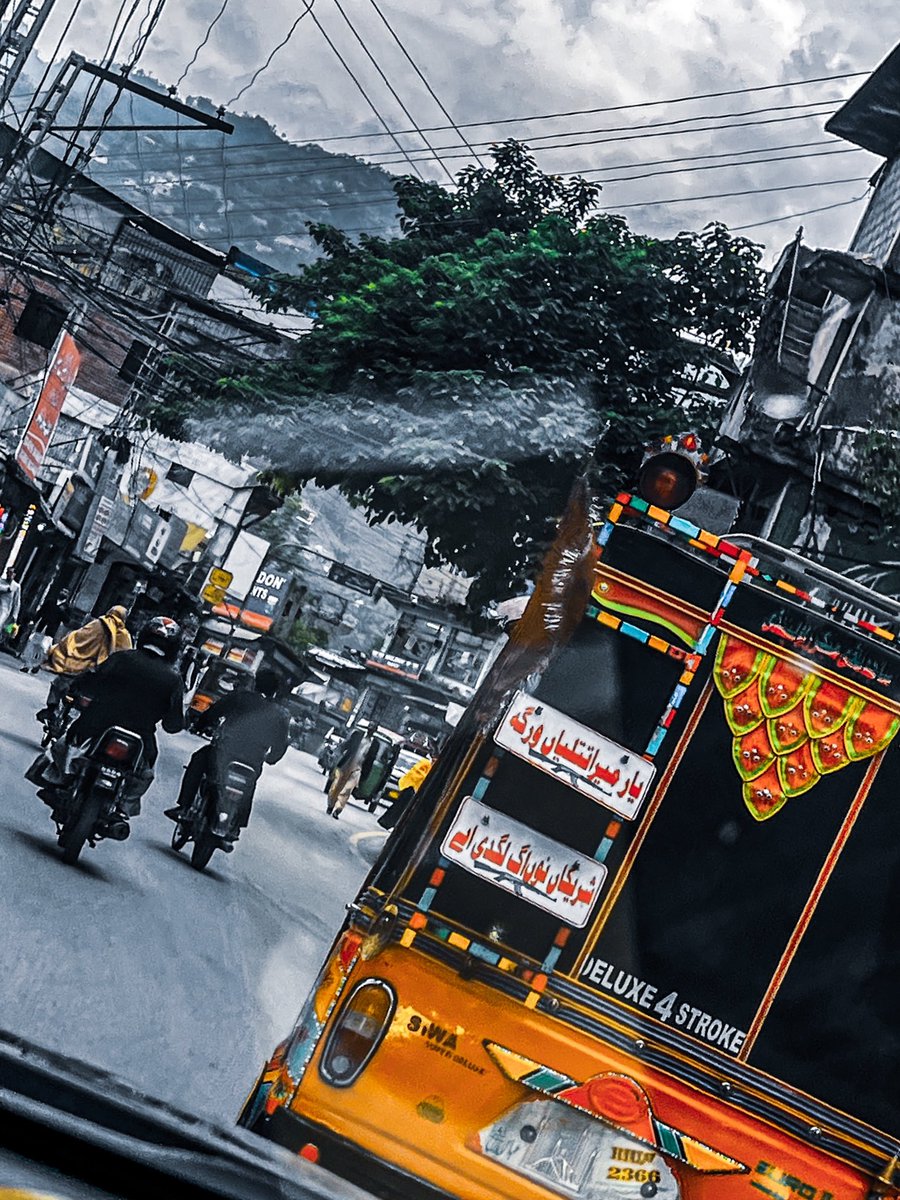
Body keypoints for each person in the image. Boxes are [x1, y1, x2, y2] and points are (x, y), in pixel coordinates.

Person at [59, 616, 185, 817]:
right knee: (145, 772)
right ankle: (124, 806)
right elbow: (173, 724)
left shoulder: (121, 659)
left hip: (96, 723)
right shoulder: (174, 679)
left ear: (144, 636)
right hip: (140, 735)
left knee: (64, 745)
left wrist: (76, 691)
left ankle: (60, 778)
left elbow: (90, 680)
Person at [164, 667, 290, 831]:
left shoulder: (240, 697)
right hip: (253, 761)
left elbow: (213, 713)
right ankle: (236, 826)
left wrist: (200, 725)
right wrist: (271, 758)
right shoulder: (281, 714)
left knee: (198, 759)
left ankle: (185, 807)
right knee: (249, 787)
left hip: (223, 753)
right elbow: (281, 744)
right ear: (275, 691)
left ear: (255, 683)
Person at [37, 605, 132, 722]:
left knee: (58, 684)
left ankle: (50, 709)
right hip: (99, 674)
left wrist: (61, 648)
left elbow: (77, 637)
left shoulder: (97, 624)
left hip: (77, 667)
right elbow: (126, 656)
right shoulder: (124, 635)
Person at [326, 724, 374, 820]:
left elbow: (370, 760)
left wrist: (365, 775)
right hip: (346, 763)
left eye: (373, 729)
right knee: (336, 786)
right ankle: (330, 805)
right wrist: (338, 753)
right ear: (367, 728)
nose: (370, 730)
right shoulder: (357, 735)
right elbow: (346, 745)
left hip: (357, 768)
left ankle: (338, 810)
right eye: (370, 728)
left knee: (347, 790)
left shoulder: (374, 744)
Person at [378, 755, 433, 830]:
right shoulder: (426, 763)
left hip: (413, 789)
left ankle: (389, 823)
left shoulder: (430, 766)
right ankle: (386, 822)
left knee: (401, 807)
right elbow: (417, 772)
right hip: (410, 787)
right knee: (399, 807)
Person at [0, 566, 21, 648]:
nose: (9, 574)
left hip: (5, 610)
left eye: (11, 572)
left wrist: (15, 614)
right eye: (8, 572)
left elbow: (17, 602)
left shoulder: (16, 586)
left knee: (1, 625)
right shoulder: (1, 582)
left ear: (14, 574)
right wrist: (7, 589)